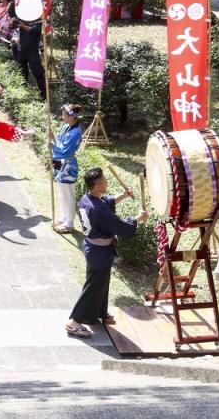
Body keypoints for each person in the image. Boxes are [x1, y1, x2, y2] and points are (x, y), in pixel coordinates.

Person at [66, 168, 147, 339]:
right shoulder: (99, 210)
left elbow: (105, 202)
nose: (106, 181)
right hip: (99, 252)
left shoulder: (87, 199)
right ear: (96, 187)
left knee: (101, 283)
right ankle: (74, 323)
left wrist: (123, 196)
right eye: (103, 180)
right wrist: (138, 219)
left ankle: (97, 313)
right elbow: (118, 225)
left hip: (94, 249)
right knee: (93, 287)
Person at [51, 105, 83, 233]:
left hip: (68, 165)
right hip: (59, 163)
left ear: (71, 117)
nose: (62, 117)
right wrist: (53, 141)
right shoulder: (65, 127)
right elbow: (58, 142)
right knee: (61, 192)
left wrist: (52, 141)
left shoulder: (76, 132)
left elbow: (65, 151)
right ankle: (64, 217)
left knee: (68, 194)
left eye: (64, 114)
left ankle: (69, 223)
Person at [17, 17, 46, 99]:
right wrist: (13, 22)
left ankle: (43, 94)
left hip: (33, 52)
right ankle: (23, 92)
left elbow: (32, 30)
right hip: (22, 50)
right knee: (22, 71)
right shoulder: (22, 18)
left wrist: (22, 25)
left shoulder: (38, 21)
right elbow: (11, 27)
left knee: (38, 73)